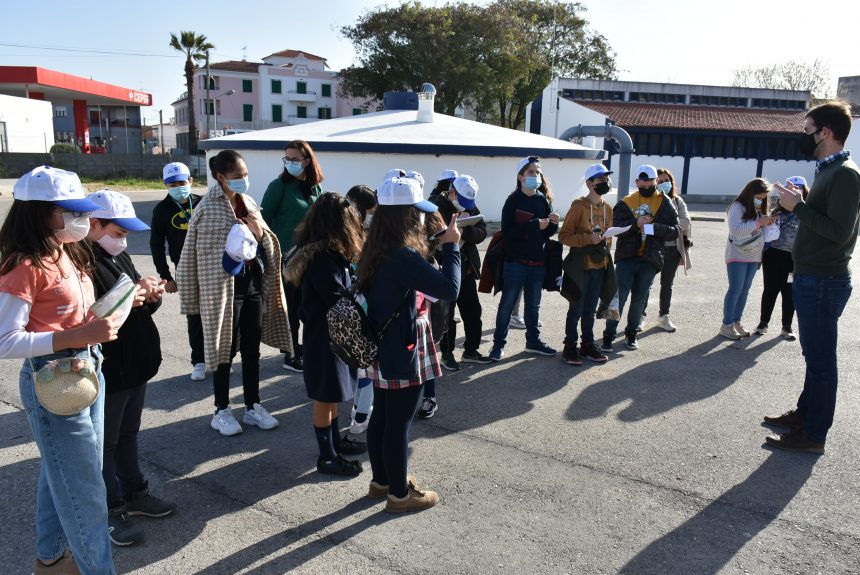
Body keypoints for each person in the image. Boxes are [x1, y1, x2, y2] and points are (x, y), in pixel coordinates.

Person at [0, 166, 121, 574]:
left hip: (86, 369)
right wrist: (74, 336)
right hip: (54, 379)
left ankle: (50, 559)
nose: (81, 218)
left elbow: (69, 315)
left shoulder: (63, 250)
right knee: (86, 491)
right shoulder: (25, 265)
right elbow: (4, 340)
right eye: (69, 210)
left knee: (64, 475)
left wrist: (111, 311)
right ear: (40, 212)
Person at [358, 174, 461, 513]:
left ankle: (382, 481)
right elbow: (449, 289)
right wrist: (451, 246)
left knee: (384, 415)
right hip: (403, 342)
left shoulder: (374, 245)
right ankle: (400, 495)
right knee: (399, 421)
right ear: (406, 214)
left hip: (382, 341)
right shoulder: (403, 255)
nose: (421, 216)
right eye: (417, 211)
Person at [765, 101, 860, 454]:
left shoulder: (846, 174)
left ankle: (814, 434)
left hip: (823, 279)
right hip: (813, 276)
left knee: (821, 361)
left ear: (826, 132)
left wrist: (798, 207)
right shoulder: (829, 170)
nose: (804, 137)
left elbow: (839, 231)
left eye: (808, 130)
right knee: (815, 356)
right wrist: (799, 203)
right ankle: (805, 415)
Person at [177, 150, 292, 436]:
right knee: (222, 350)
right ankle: (221, 410)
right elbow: (191, 256)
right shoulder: (206, 208)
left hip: (252, 285)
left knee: (252, 350)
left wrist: (260, 235)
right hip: (221, 290)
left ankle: (253, 406)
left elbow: (267, 243)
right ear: (220, 177)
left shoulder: (249, 202)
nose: (244, 180)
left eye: (245, 174)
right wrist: (192, 300)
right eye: (237, 176)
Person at [85, 190, 176, 547]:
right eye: (118, 232)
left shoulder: (115, 255)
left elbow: (132, 309)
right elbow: (92, 318)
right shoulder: (83, 262)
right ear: (94, 225)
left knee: (127, 432)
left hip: (135, 364)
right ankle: (110, 508)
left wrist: (147, 297)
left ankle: (134, 490)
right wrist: (130, 297)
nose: (123, 240)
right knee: (105, 441)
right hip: (111, 367)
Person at [285, 192, 368, 475]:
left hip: (332, 334)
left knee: (333, 393)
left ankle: (335, 442)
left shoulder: (329, 253)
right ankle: (327, 456)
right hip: (324, 337)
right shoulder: (322, 258)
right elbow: (337, 298)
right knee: (325, 395)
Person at [601, 165, 679, 352]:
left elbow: (675, 231)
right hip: (627, 258)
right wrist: (635, 224)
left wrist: (652, 229)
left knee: (639, 299)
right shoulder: (626, 202)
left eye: (650, 180)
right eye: (643, 180)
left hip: (650, 259)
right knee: (618, 297)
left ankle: (631, 334)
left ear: (655, 181)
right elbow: (618, 227)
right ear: (636, 182)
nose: (647, 183)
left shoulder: (665, 202)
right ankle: (608, 335)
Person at [261, 140, 323, 373]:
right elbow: (263, 222)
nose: (289, 163)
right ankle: (290, 353)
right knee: (291, 306)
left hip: (312, 257)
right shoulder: (279, 186)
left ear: (307, 160)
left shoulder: (314, 186)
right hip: (287, 259)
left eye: (295, 159)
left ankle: (305, 347)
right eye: (286, 158)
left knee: (308, 306)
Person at [489, 156, 560, 361]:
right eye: (531, 172)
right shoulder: (512, 201)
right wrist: (534, 224)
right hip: (515, 263)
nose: (536, 176)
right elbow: (508, 232)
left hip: (538, 263)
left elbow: (547, 233)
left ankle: (533, 342)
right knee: (507, 306)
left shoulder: (542, 199)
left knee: (533, 306)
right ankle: (498, 346)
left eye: (538, 172)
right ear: (520, 176)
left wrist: (553, 223)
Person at [150, 162, 206, 380]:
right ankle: (199, 360)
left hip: (211, 266)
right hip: (184, 269)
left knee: (218, 313)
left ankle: (219, 357)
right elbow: (156, 245)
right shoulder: (161, 210)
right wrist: (166, 277)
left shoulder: (202, 203)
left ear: (190, 181)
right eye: (172, 184)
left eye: (182, 182)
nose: (178, 187)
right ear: (165, 185)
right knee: (194, 316)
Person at [429, 174, 490, 371]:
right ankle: (447, 353)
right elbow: (430, 237)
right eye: (462, 200)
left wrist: (465, 231)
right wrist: (453, 230)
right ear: (452, 192)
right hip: (445, 270)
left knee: (473, 311)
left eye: (469, 202)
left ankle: (471, 350)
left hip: (467, 270)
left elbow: (482, 232)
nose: (466, 205)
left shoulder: (470, 208)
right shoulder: (435, 208)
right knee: (447, 314)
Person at [558, 164, 614, 365]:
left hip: (600, 266)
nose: (605, 183)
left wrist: (604, 241)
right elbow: (564, 236)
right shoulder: (578, 207)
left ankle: (588, 344)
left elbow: (609, 237)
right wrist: (587, 239)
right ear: (590, 183)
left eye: (607, 179)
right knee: (576, 307)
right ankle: (569, 346)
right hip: (580, 266)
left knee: (590, 309)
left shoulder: (608, 208)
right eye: (601, 180)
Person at [719, 178, 775, 340]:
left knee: (745, 290)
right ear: (751, 193)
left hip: (754, 254)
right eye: (759, 197)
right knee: (735, 289)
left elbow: (759, 229)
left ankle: (736, 321)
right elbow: (736, 230)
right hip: (737, 253)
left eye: (763, 198)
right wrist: (759, 222)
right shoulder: (737, 207)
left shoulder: (759, 209)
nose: (761, 200)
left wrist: (769, 222)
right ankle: (726, 325)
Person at [754, 176, 807, 340]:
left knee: (789, 292)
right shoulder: (776, 211)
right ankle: (763, 323)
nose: (792, 193)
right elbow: (764, 233)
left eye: (797, 190)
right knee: (770, 290)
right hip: (773, 257)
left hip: (794, 260)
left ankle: (787, 327)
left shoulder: (807, 212)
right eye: (789, 190)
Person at [345, 184, 378, 435]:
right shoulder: (354, 237)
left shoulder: (347, 231)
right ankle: (360, 418)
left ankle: (358, 411)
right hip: (359, 305)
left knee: (358, 365)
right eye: (371, 209)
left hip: (349, 307)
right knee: (364, 366)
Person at [653, 168, 692, 332]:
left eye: (666, 180)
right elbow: (645, 228)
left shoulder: (677, 201)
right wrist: (671, 228)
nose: (663, 184)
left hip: (673, 249)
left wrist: (661, 228)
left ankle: (664, 316)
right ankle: (640, 316)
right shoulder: (650, 202)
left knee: (667, 284)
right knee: (646, 284)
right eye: (659, 181)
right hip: (653, 249)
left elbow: (686, 222)